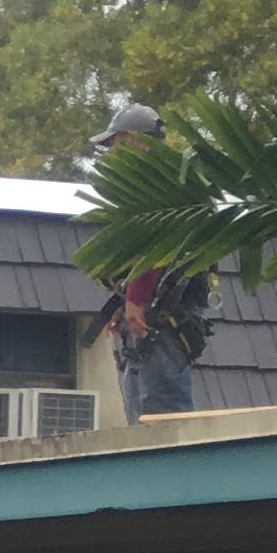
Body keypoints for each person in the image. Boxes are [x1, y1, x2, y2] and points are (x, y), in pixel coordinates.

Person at [80, 96, 209, 417]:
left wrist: (134, 301)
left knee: (162, 416)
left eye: (116, 143)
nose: (112, 153)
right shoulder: (150, 184)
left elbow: (156, 247)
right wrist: (126, 304)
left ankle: (172, 468)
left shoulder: (162, 184)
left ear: (136, 140)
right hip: (148, 314)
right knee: (140, 408)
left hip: (162, 315)